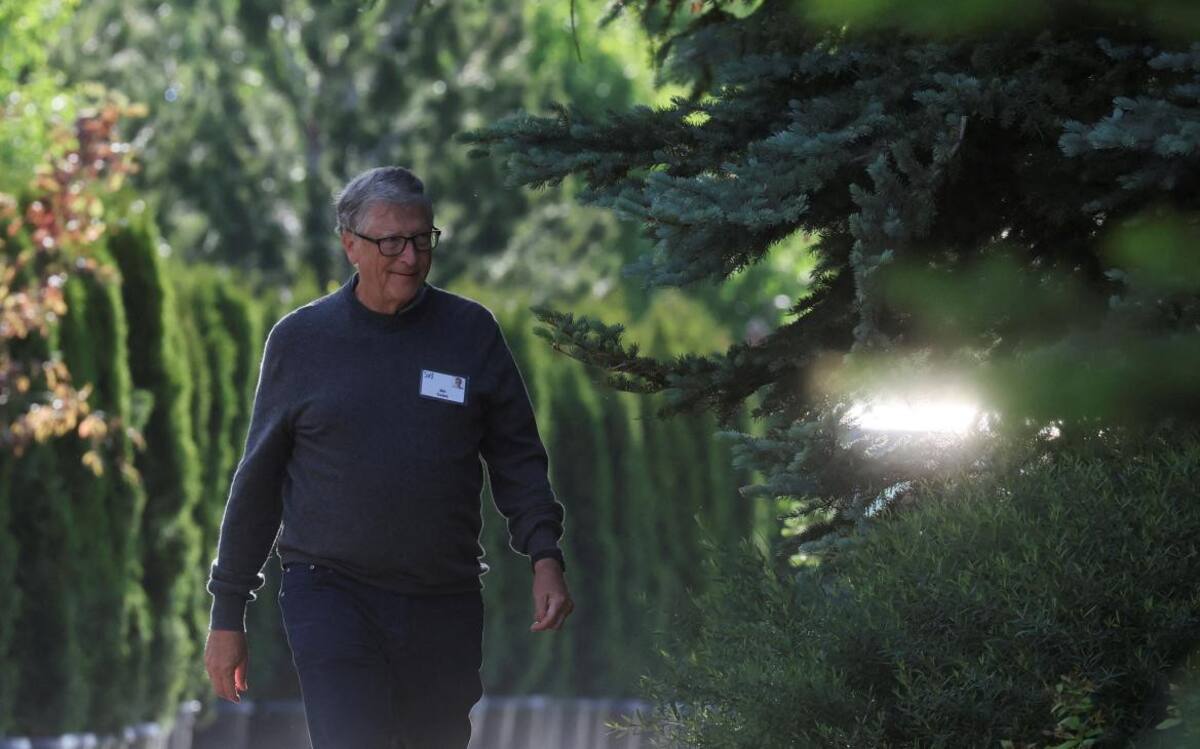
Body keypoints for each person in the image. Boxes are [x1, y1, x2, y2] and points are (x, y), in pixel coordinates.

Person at [203, 166, 574, 749]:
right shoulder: (302, 341)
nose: (410, 257)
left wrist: (544, 554)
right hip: (329, 591)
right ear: (350, 244)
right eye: (391, 242)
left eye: (423, 239)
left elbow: (517, 457)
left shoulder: (469, 333)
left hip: (442, 597)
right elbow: (258, 482)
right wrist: (227, 613)